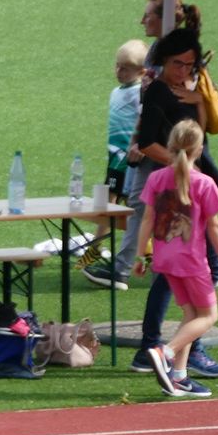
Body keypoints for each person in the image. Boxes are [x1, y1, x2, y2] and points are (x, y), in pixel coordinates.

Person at [125, 28, 218, 378]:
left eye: (190, 65)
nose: (184, 71)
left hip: (192, 185)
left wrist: (198, 101)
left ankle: (177, 355)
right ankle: (165, 348)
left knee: (179, 277)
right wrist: (181, 167)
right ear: (164, 61)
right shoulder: (157, 93)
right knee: (183, 275)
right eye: (178, 64)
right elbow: (147, 142)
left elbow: (204, 133)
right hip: (182, 194)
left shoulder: (186, 91)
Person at [134, 119, 218, 397]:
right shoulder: (204, 183)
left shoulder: (156, 178)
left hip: (165, 260)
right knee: (209, 315)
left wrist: (140, 256)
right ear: (199, 149)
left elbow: (147, 219)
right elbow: (214, 227)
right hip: (192, 261)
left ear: (170, 146)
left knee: (191, 314)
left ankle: (179, 377)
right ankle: (166, 353)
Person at [83, 39, 153, 291]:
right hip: (115, 160)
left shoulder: (139, 93)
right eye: (117, 66)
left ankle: (143, 252)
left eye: (126, 68)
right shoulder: (116, 92)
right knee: (109, 203)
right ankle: (97, 247)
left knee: (132, 208)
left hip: (130, 161)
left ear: (141, 71)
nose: (119, 71)